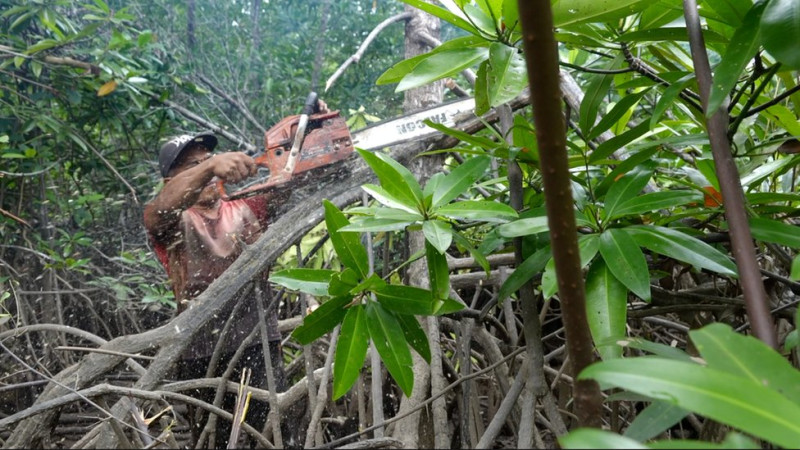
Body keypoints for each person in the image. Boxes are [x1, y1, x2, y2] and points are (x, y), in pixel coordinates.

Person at [143, 131, 285, 448]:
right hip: (202, 353)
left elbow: (294, 181)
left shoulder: (248, 206)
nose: (209, 170)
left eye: (209, 161)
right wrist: (210, 167)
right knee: (217, 441)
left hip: (259, 343)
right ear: (173, 180)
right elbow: (161, 207)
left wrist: (313, 127)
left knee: (269, 436)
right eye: (194, 165)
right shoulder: (168, 219)